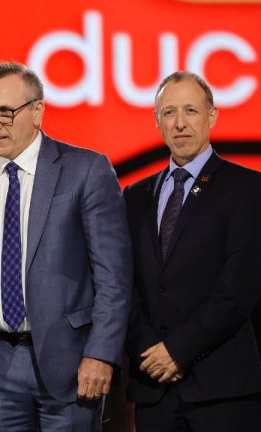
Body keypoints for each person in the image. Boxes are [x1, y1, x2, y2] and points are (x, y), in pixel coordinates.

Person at [0, 62, 133, 431]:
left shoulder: (86, 171)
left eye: (7, 112)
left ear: (38, 111)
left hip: (73, 362)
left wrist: (101, 353)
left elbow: (114, 278)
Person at [124, 71, 261, 431]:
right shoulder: (135, 196)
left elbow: (237, 290)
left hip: (221, 389)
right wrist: (149, 350)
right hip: (154, 385)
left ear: (212, 116)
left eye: (191, 111)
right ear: (157, 121)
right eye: (169, 113)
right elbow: (124, 285)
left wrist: (178, 350)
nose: (180, 123)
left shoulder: (247, 188)